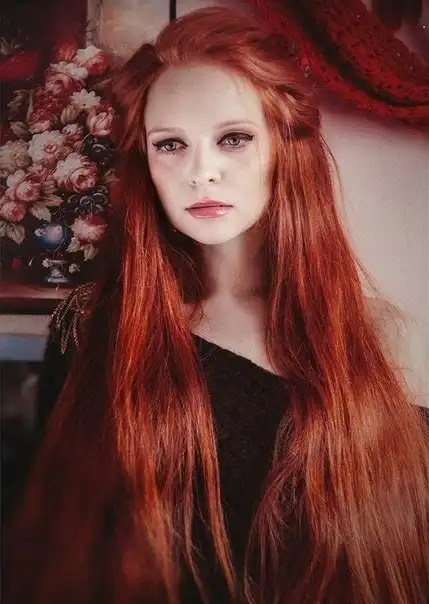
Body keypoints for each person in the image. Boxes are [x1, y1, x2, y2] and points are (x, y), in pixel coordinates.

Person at [4, 7, 429, 604]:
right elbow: (57, 546)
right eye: (170, 145)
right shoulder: (91, 325)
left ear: (283, 147)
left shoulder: (377, 334)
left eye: (233, 139)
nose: (201, 172)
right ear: (145, 163)